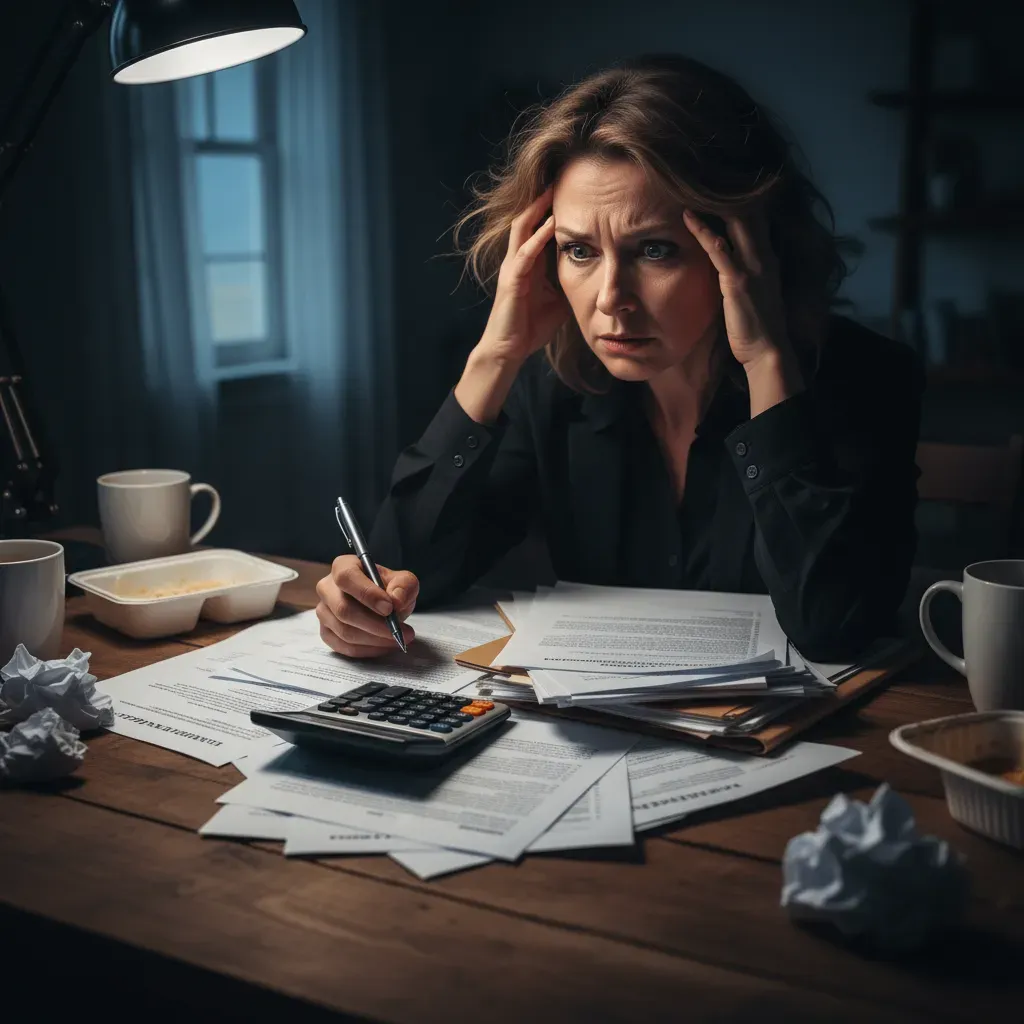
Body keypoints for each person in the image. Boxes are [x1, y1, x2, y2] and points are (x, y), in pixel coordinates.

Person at [315, 53, 923, 663]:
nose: (612, 301)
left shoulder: (866, 380)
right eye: (579, 251)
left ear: (748, 245)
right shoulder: (553, 387)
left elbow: (832, 625)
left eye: (655, 250)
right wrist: (494, 357)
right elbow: (407, 581)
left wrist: (765, 358)